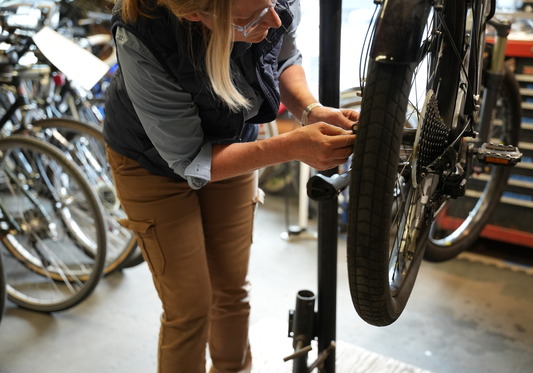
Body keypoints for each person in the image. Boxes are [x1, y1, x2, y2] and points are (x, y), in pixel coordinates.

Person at [103, 0, 358, 372]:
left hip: (234, 144)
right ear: (195, 15)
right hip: (152, 162)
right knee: (189, 307)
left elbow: (283, 56)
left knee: (231, 291)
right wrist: (292, 145)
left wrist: (310, 111)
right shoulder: (143, 35)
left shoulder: (266, 7)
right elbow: (190, 158)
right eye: (253, 17)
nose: (273, 18)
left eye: (272, 4)